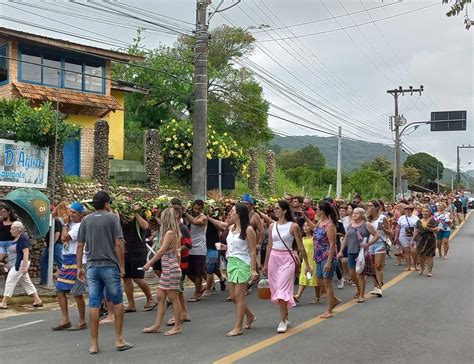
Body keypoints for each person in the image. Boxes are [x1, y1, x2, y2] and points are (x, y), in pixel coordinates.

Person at [77, 191, 132, 354]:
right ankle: (119, 339)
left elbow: (80, 245)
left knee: (94, 302)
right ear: (107, 204)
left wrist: (79, 267)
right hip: (110, 265)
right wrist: (121, 266)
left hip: (92, 266)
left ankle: (94, 344)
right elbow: (118, 243)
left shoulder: (86, 220)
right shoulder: (113, 218)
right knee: (117, 301)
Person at [263, 200, 311, 333]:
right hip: (274, 258)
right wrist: (265, 263)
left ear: (284, 210)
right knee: (276, 289)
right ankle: (286, 316)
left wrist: (307, 265)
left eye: (277, 208)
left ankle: (283, 320)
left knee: (282, 289)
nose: (275, 210)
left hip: (287, 259)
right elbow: (269, 245)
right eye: (275, 208)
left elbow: (300, 247)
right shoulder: (272, 226)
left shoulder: (293, 226)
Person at [143, 208, 183, 336]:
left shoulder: (170, 233)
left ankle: (177, 326)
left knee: (173, 297)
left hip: (170, 268)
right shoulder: (172, 232)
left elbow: (161, 251)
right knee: (161, 296)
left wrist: (149, 262)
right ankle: (157, 325)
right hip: (169, 268)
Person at [52, 202, 88, 331]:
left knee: (77, 293)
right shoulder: (69, 222)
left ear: (80, 214)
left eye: (74, 212)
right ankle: (65, 319)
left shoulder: (79, 226)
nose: (71, 214)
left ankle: (82, 321)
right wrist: (60, 205)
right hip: (67, 260)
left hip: (76, 260)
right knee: (59, 290)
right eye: (70, 211)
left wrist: (66, 224)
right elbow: (54, 215)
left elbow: (64, 238)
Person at [225, 203, 258, 337]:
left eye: (232, 211)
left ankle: (238, 327)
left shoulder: (248, 230)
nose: (230, 213)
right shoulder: (231, 228)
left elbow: (252, 250)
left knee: (239, 296)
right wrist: (223, 247)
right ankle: (250, 315)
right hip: (231, 262)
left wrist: (253, 269)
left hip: (242, 264)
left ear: (238, 214)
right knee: (233, 297)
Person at [338, 207, 379, 303]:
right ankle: (358, 288)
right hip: (351, 251)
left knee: (360, 274)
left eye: (357, 213)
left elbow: (377, 236)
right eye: (354, 213)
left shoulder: (367, 224)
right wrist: (340, 251)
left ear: (362, 215)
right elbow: (346, 238)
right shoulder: (350, 225)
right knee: (352, 275)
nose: (354, 215)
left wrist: (368, 244)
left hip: (361, 252)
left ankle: (361, 295)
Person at [0, 221, 43, 309]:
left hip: (20, 264)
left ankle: (4, 303)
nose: (10, 231)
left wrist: (25, 267)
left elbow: (25, 253)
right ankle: (37, 300)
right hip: (17, 264)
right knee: (27, 283)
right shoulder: (17, 238)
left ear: (18, 230)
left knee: (10, 281)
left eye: (12, 229)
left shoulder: (23, 238)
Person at [121, 205, 154, 312]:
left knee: (137, 277)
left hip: (138, 250)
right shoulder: (121, 218)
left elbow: (145, 226)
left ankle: (150, 298)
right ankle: (131, 304)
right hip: (125, 250)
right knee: (126, 278)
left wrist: (136, 213)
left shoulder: (141, 216)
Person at [166, 200, 192, 327]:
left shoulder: (182, 228)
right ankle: (185, 313)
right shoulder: (172, 228)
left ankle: (177, 315)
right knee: (178, 291)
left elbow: (188, 244)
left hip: (181, 264)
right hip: (174, 263)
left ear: (176, 214)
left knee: (175, 291)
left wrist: (178, 250)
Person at [184, 199, 208, 302]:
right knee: (188, 272)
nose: (197, 210)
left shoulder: (203, 217)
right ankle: (201, 287)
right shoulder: (190, 216)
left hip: (199, 249)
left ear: (202, 209)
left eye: (199, 209)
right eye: (195, 208)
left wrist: (185, 213)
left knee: (198, 273)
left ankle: (197, 293)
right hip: (189, 249)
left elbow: (196, 222)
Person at [367, 200, 391, 297]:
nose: (369, 207)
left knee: (378, 265)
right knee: (373, 266)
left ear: (376, 208)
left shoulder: (382, 218)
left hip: (380, 242)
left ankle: (379, 287)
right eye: (368, 206)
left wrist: (384, 229)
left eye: (371, 206)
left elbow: (390, 232)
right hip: (370, 243)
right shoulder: (367, 219)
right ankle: (376, 285)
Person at [293, 222, 319, 304]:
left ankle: (317, 296)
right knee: (304, 277)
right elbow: (300, 251)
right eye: (304, 226)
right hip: (305, 261)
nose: (305, 227)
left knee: (314, 279)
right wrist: (299, 261)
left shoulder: (314, 238)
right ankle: (298, 295)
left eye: (307, 226)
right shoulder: (302, 239)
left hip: (314, 260)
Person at [204, 212, 228, 296]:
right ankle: (221, 279)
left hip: (214, 246)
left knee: (210, 268)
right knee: (212, 267)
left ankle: (208, 289)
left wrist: (209, 219)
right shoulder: (195, 222)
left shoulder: (213, 221)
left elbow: (222, 227)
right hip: (203, 248)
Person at [412, 207, 438, 277]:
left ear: (429, 213)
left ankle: (429, 271)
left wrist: (429, 229)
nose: (425, 213)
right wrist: (413, 239)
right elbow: (416, 230)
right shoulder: (419, 221)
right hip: (421, 239)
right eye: (423, 211)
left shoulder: (432, 220)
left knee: (430, 256)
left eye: (426, 211)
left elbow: (436, 229)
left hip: (430, 239)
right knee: (420, 255)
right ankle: (422, 268)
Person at [395, 205, 420, 270]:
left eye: (409, 209)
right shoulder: (401, 218)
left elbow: (418, 227)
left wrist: (416, 236)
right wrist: (396, 236)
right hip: (403, 236)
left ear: (412, 210)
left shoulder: (416, 218)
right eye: (406, 209)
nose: (408, 211)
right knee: (406, 251)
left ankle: (415, 265)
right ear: (404, 210)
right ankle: (408, 266)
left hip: (413, 236)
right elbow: (398, 227)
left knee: (413, 251)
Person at [39, 217, 63, 285]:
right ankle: (44, 280)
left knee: (59, 261)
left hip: (56, 244)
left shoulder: (56, 221)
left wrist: (52, 245)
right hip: (50, 245)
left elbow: (57, 234)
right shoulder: (48, 221)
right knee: (44, 261)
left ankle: (69, 277)